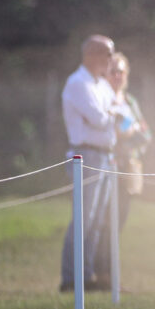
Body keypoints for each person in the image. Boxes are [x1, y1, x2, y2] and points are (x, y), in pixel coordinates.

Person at [59, 34, 119, 292]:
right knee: (83, 218)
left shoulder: (102, 85)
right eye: (108, 54)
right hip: (86, 155)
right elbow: (98, 118)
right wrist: (112, 113)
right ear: (92, 55)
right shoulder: (77, 83)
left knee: (96, 220)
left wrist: (113, 113)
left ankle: (88, 274)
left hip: (105, 155)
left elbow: (118, 112)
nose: (111, 60)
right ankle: (71, 278)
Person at [92, 51, 152, 285]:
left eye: (121, 71)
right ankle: (99, 274)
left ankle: (109, 274)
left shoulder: (130, 102)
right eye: (112, 71)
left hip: (129, 168)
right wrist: (130, 128)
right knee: (103, 221)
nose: (117, 75)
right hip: (106, 166)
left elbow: (145, 134)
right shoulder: (102, 98)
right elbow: (114, 131)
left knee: (119, 221)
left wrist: (131, 128)